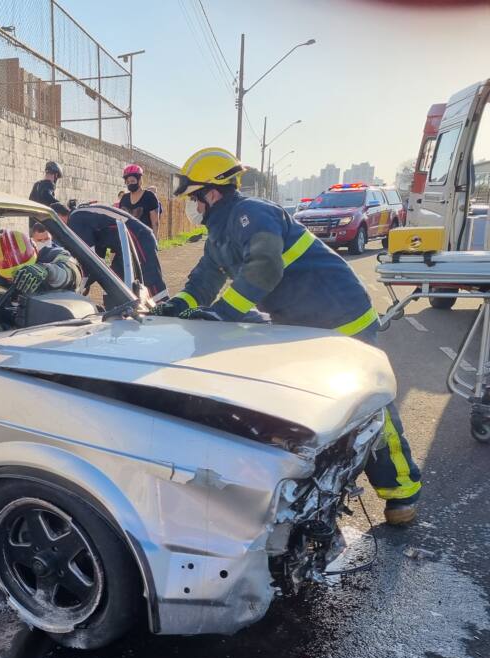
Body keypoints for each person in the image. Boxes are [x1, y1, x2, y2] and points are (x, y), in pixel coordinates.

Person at [154, 146, 422, 525]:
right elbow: (203, 281)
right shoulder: (218, 235)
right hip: (302, 325)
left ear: (212, 192)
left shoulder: (253, 214)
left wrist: (222, 314)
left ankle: (401, 491)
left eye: (194, 198)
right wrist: (176, 305)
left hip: (340, 316)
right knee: (317, 404)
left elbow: (264, 267)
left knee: (368, 407)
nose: (193, 207)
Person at [56, 202, 167, 301]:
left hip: (138, 237)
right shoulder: (81, 216)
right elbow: (98, 262)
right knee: (114, 289)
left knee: (153, 287)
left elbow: (89, 261)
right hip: (124, 245)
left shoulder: (75, 220)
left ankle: (166, 316)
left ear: (59, 216)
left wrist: (76, 289)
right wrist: (82, 285)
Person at [0, 229, 82, 331]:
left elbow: (75, 274)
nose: (17, 276)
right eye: (10, 276)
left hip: (70, 323)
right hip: (30, 336)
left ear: (35, 249)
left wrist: (48, 271)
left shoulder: (54, 255)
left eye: (25, 268)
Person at [117, 164, 161, 231]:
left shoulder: (149, 197)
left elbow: (155, 223)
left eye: (132, 181)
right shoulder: (124, 198)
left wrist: (154, 240)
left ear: (140, 180)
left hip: (144, 239)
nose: (130, 184)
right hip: (128, 239)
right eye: (128, 182)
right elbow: (120, 220)